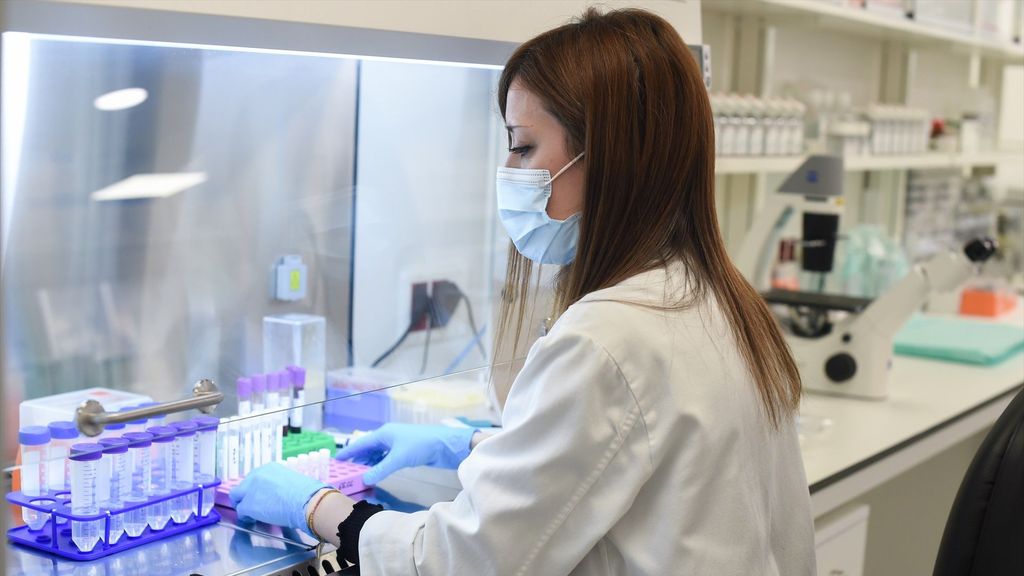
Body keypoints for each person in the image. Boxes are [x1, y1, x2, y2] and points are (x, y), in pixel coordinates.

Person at [230, 7, 815, 575]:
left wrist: (316, 507)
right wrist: (466, 446)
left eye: (524, 145)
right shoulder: (715, 297)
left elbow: (459, 562)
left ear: (610, 156)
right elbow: (616, 458)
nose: (509, 167)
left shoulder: (606, 340)